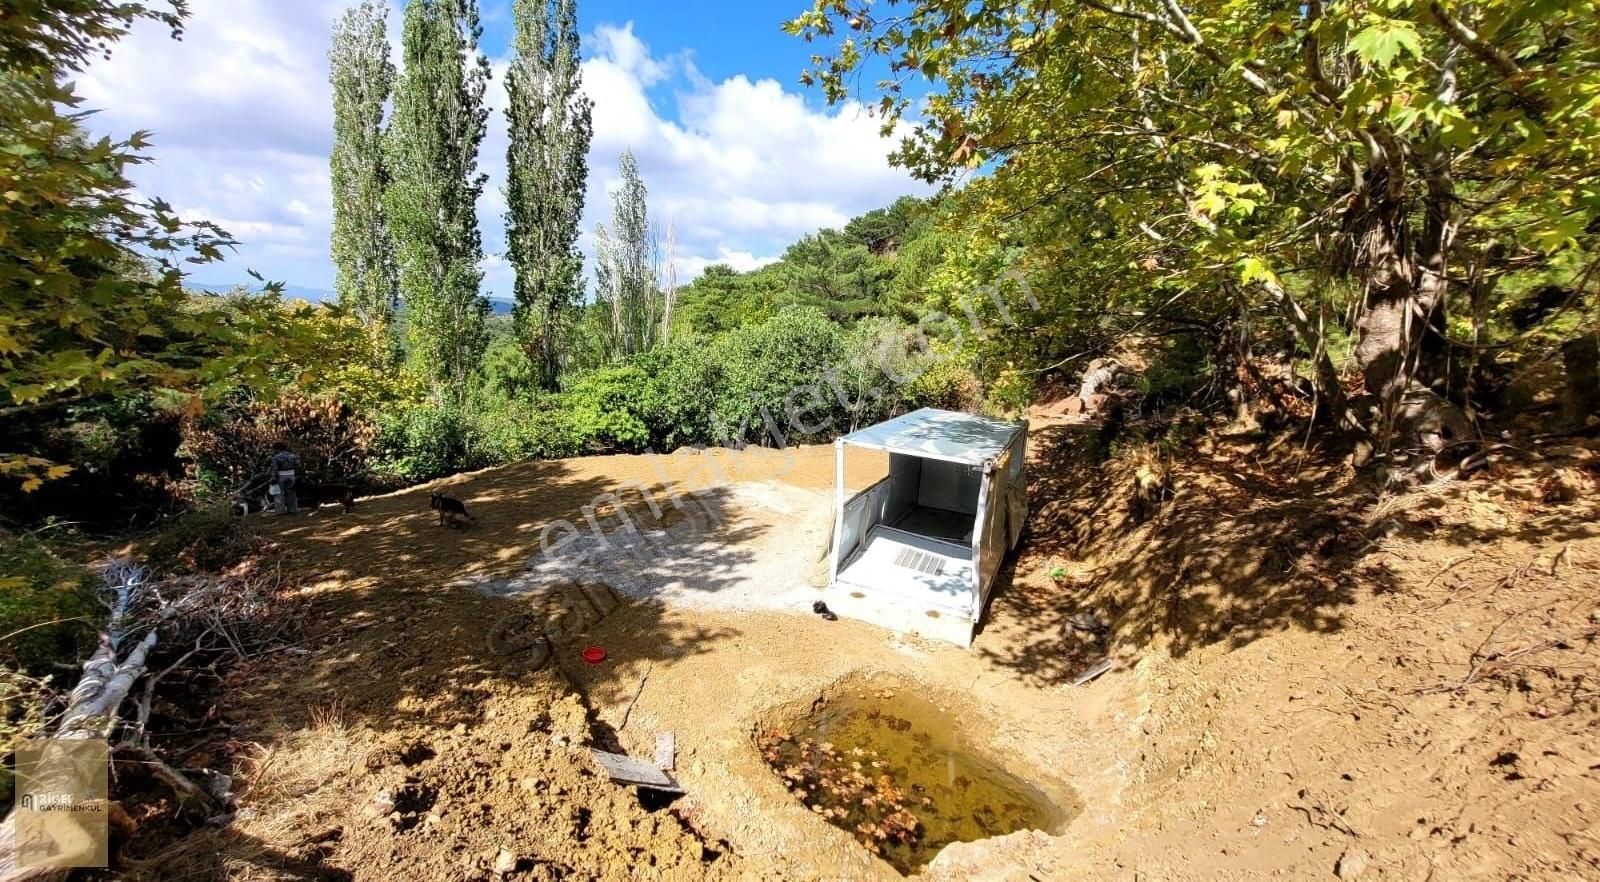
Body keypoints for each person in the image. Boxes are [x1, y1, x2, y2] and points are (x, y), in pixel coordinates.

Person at [267, 441, 300, 515]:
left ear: (277, 449)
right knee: (292, 493)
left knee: (279, 493)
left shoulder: (276, 457)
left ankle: (280, 511)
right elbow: (297, 466)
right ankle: (293, 509)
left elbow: (275, 469)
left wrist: (273, 478)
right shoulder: (293, 456)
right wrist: (296, 476)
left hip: (281, 475)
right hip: (291, 475)